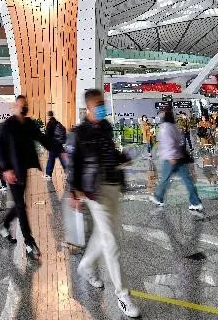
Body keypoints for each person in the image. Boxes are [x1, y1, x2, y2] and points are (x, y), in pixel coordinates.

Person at [70, 89, 141, 318]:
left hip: (113, 184)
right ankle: (122, 296)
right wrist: (74, 190)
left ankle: (85, 266)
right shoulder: (79, 133)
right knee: (111, 241)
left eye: (103, 103)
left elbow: (110, 151)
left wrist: (123, 158)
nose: (102, 107)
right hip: (94, 190)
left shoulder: (106, 127)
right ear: (89, 107)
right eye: (98, 104)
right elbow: (74, 164)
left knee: (103, 234)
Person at [0, 94, 61, 259]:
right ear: (15, 106)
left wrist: (61, 150)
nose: (23, 108)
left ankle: (4, 225)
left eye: (25, 105)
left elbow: (43, 139)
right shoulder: (8, 125)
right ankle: (29, 242)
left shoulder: (29, 124)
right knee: (21, 205)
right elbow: (0, 147)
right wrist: (6, 169)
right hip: (11, 171)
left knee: (20, 204)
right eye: (20, 105)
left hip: (23, 170)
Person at [149, 108, 203, 214]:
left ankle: (158, 198)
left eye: (161, 114)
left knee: (165, 179)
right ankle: (195, 202)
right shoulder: (174, 126)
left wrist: (172, 157)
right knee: (187, 179)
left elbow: (169, 143)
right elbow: (181, 140)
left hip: (170, 158)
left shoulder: (165, 127)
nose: (160, 116)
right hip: (179, 156)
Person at [44, 110, 68, 179]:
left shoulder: (49, 124)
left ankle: (48, 175)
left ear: (48, 116)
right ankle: (68, 173)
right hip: (59, 145)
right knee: (63, 160)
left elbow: (47, 136)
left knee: (51, 160)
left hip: (53, 145)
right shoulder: (57, 122)